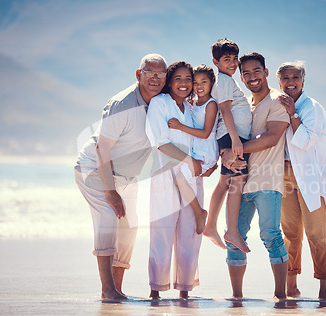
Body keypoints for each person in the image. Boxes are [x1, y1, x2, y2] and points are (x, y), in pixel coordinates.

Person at [74, 54, 167, 302]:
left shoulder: (161, 101)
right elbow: (101, 148)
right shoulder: (122, 104)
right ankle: (107, 290)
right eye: (151, 73)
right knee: (107, 222)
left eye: (161, 73)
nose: (156, 78)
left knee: (128, 230)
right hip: (95, 170)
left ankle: (117, 289)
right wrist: (110, 190)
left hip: (127, 176)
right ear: (139, 75)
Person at [222, 52, 290, 299]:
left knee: (270, 235)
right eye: (246, 73)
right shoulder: (246, 105)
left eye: (256, 71)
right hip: (240, 182)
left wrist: (234, 150)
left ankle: (280, 296)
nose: (252, 77)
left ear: (266, 72)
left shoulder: (277, 101)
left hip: (267, 181)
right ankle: (236, 298)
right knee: (233, 236)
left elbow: (272, 138)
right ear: (241, 77)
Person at [145, 61, 215, 299]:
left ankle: (184, 291)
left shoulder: (192, 107)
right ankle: (156, 290)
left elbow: (203, 138)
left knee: (189, 234)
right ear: (169, 81)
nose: (184, 83)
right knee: (162, 233)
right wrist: (189, 160)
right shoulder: (159, 103)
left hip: (191, 176)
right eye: (178, 78)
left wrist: (209, 163)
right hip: (165, 175)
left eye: (188, 79)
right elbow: (161, 143)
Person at [277, 61, 326, 300]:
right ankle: (291, 284)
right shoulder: (276, 103)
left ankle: (324, 286)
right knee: (290, 233)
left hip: (310, 176)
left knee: (316, 232)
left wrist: (292, 113)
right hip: (283, 174)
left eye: (295, 77)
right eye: (285, 78)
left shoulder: (312, 108)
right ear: (278, 81)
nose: (290, 82)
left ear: (303, 80)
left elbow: (306, 142)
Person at [202, 38, 252, 253]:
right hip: (233, 137)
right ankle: (231, 230)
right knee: (237, 181)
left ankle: (211, 226)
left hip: (231, 137)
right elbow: (226, 111)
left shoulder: (228, 80)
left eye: (234, 59)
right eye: (226, 60)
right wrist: (235, 140)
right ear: (216, 62)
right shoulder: (223, 81)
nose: (232, 63)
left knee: (224, 182)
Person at [167, 64, 219, 234]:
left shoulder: (211, 105)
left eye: (203, 82)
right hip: (195, 150)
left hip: (205, 151)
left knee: (181, 180)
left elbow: (205, 133)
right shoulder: (194, 103)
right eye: (195, 83)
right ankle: (188, 220)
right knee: (182, 181)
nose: (199, 86)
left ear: (212, 82)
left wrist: (180, 126)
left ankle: (200, 213)